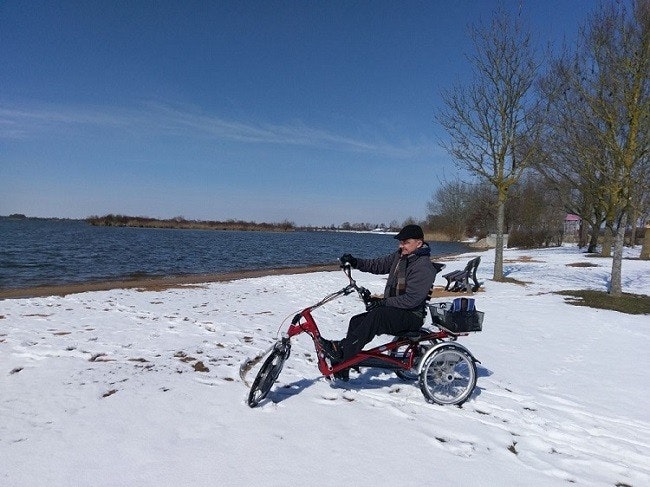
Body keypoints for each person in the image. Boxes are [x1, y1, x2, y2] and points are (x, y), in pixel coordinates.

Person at [322, 224, 438, 380]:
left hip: (411, 316)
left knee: (377, 317)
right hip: (397, 310)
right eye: (400, 242)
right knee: (356, 321)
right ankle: (343, 366)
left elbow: (412, 300)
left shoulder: (423, 267)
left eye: (405, 242)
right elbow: (378, 265)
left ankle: (341, 351)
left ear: (419, 243)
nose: (401, 245)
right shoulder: (400, 256)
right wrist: (355, 262)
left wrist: (383, 303)